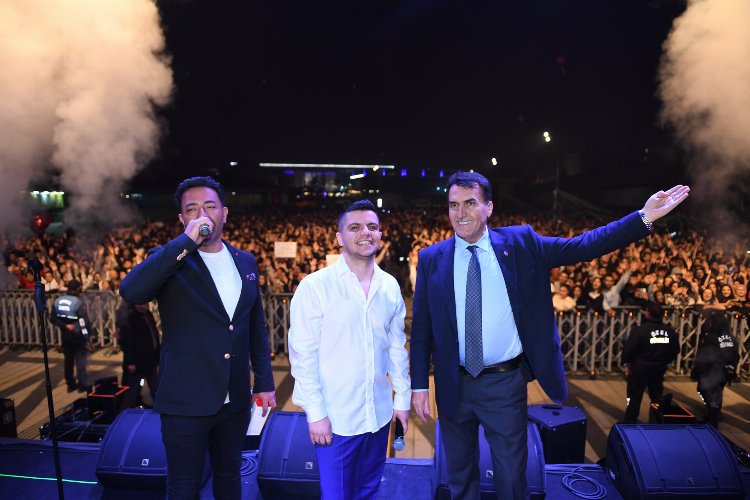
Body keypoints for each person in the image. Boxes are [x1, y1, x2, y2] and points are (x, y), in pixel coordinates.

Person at [410, 171, 689, 499]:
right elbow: (422, 328)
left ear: (489, 208)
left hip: (504, 383)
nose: (460, 212)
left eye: (470, 203)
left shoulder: (521, 243)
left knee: (511, 477)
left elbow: (584, 245)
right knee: (458, 477)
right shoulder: (432, 259)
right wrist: (419, 385)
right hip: (452, 383)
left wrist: (643, 217)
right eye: (453, 205)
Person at [119, 176, 276, 500]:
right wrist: (185, 243)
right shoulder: (171, 258)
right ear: (182, 219)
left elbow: (255, 327)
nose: (202, 214)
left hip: (235, 399)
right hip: (185, 402)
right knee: (183, 486)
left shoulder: (245, 261)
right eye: (192, 209)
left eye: (210, 206)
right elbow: (131, 291)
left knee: (229, 475)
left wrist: (264, 382)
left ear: (224, 213)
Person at [288, 200, 410, 500]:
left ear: (379, 234)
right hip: (336, 419)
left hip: (378, 415)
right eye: (355, 227)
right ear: (340, 237)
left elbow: (397, 348)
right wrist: (316, 413)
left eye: (372, 227)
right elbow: (303, 356)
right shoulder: (315, 286)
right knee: (336, 495)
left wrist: (402, 399)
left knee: (368, 491)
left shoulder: (390, 286)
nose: (365, 232)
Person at [621, 302, 679, 423]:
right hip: (658, 368)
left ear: (647, 313)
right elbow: (675, 350)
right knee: (656, 397)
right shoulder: (669, 331)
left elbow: (628, 349)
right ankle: (655, 421)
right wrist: (665, 361)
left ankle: (630, 421)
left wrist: (627, 363)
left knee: (634, 396)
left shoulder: (639, 330)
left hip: (639, 368)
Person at [693, 311, 739, 427]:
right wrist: (731, 367)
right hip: (726, 371)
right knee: (718, 392)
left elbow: (704, 354)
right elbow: (736, 355)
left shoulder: (710, 337)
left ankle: (713, 413)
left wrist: (697, 369)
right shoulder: (731, 338)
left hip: (712, 370)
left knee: (703, 390)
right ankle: (716, 412)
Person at [115, 300, 160, 409]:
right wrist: (131, 362)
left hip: (150, 358)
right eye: (144, 302)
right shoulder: (131, 318)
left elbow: (153, 335)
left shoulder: (148, 314)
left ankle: (158, 407)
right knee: (133, 388)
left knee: (154, 385)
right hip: (137, 361)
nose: (147, 304)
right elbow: (127, 342)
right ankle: (131, 408)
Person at [52, 279, 92, 392]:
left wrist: (64, 326)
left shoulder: (58, 301)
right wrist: (87, 338)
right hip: (78, 336)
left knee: (68, 360)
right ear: (77, 289)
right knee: (80, 360)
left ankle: (70, 384)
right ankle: (82, 384)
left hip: (65, 335)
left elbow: (52, 318)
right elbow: (84, 322)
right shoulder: (78, 302)